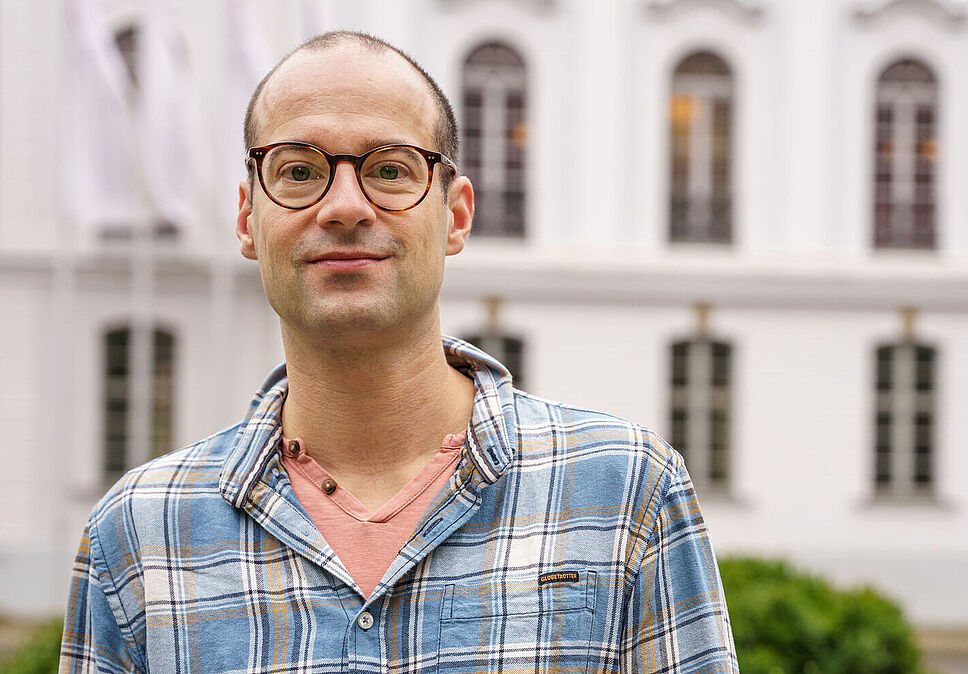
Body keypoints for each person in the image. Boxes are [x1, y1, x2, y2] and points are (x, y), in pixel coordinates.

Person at [60, 31, 737, 672]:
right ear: (247, 218)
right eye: (298, 170)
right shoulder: (140, 537)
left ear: (457, 216)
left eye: (389, 169)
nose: (345, 206)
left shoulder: (625, 494)